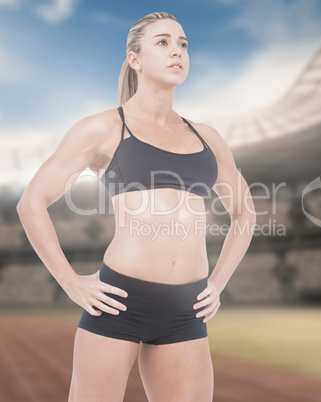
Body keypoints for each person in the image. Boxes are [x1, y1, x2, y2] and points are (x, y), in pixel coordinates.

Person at [16, 11, 256, 402]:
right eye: (162, 42)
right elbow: (32, 203)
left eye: (182, 44)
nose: (176, 51)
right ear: (136, 59)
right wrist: (69, 280)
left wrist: (218, 283)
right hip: (118, 303)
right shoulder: (105, 128)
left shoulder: (208, 138)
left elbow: (245, 213)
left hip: (187, 311)